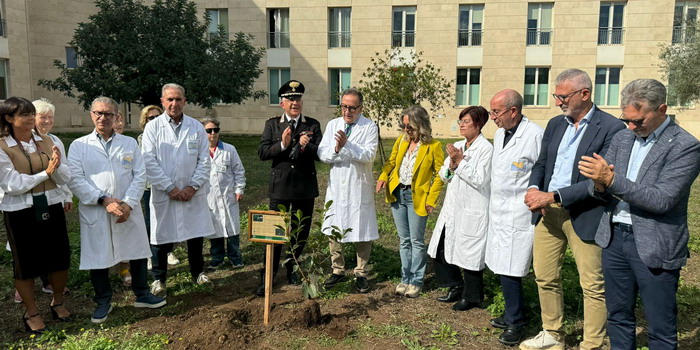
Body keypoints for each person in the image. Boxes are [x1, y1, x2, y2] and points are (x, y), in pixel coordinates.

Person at [579, 79, 700, 350]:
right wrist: (599, 183)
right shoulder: (623, 138)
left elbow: (662, 199)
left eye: (638, 121)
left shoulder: (685, 146)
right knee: (618, 316)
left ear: (662, 109)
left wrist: (609, 181)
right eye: (627, 120)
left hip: (655, 243)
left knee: (660, 325)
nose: (632, 127)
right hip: (614, 239)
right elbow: (598, 186)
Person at [520, 69, 625, 350]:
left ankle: (592, 343)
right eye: (556, 95)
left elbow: (598, 181)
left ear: (585, 94)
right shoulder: (556, 124)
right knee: (545, 275)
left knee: (592, 283)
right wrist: (533, 188)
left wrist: (552, 195)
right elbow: (542, 164)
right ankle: (553, 333)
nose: (557, 101)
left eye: (562, 96)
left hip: (585, 213)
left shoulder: (611, 128)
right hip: (547, 212)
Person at [67, 97, 166, 323]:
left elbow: (140, 175)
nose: (103, 117)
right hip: (97, 209)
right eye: (98, 113)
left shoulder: (129, 143)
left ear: (116, 117)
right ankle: (103, 301)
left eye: (109, 114)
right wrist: (102, 199)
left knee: (137, 251)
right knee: (98, 256)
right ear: (91, 115)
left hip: (127, 208)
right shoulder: (79, 145)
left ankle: (142, 294)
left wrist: (129, 203)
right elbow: (75, 179)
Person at [0, 97, 72, 334]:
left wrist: (58, 168)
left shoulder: (48, 140)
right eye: (25, 114)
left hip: (51, 204)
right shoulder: (2, 146)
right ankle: (31, 311)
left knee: (59, 257)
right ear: (9, 119)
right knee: (26, 263)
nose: (32, 117)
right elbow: (12, 184)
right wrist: (46, 173)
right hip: (19, 211)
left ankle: (57, 301)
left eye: (32, 113)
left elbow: (65, 178)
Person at [142, 83, 215, 295]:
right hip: (165, 194)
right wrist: (169, 188)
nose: (174, 103)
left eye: (178, 99)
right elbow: (149, 161)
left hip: (192, 193)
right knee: (160, 236)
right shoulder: (153, 128)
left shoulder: (196, 127)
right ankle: (159, 279)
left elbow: (204, 160)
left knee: (195, 235)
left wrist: (192, 186)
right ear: (162, 101)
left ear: (185, 101)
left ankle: (197, 273)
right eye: (170, 99)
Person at [485, 90, 543, 346]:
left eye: (496, 112)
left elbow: (542, 172)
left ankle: (516, 323)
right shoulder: (500, 134)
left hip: (519, 213)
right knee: (502, 264)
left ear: (513, 111)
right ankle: (511, 312)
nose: (492, 117)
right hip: (499, 210)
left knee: (512, 269)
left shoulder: (534, 135)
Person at [256, 80, 322, 296]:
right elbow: (263, 153)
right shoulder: (272, 125)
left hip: (304, 187)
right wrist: (283, 144)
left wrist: (306, 145)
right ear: (282, 103)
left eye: (298, 99)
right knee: (275, 233)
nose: (295, 102)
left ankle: (291, 265)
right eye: (291, 99)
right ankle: (269, 273)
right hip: (281, 188)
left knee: (300, 231)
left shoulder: (312, 125)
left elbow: (321, 153)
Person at [427, 106, 491, 310]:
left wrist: (461, 162)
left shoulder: (486, 149)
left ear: (478, 124)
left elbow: (480, 180)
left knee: (471, 253)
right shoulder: (457, 145)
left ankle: (473, 296)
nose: (461, 125)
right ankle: (455, 285)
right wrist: (453, 165)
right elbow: (444, 176)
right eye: (461, 121)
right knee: (440, 246)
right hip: (453, 207)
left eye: (466, 121)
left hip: (473, 207)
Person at [376, 105, 444, 298]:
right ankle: (405, 278)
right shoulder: (401, 141)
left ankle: (416, 281)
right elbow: (391, 161)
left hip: (417, 198)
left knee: (416, 240)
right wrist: (383, 176)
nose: (406, 130)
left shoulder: (434, 146)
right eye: (404, 125)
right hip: (398, 194)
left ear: (421, 124)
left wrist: (432, 199)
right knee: (404, 240)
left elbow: (440, 175)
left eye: (410, 126)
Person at [317, 88, 378, 293]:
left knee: (362, 228)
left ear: (360, 108)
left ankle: (361, 272)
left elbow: (368, 155)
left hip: (358, 185)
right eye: (344, 106)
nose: (347, 111)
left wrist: (347, 145)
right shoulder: (333, 125)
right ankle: (337, 269)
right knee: (335, 225)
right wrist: (336, 149)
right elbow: (323, 154)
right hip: (338, 185)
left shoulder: (369, 127)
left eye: (352, 107)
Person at [137, 105, 180, 270]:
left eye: (157, 117)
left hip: (168, 185)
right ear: (144, 121)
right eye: (150, 118)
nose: (154, 120)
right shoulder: (141, 139)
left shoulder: (167, 137)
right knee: (151, 221)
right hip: (150, 187)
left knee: (168, 220)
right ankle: (150, 254)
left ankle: (168, 251)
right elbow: (147, 160)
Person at [202, 116, 246, 270]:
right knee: (215, 228)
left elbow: (238, 171)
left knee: (232, 227)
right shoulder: (198, 153)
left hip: (229, 196)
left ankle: (235, 257)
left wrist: (239, 189)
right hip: (209, 197)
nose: (213, 133)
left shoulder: (229, 149)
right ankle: (217, 257)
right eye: (209, 130)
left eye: (216, 130)